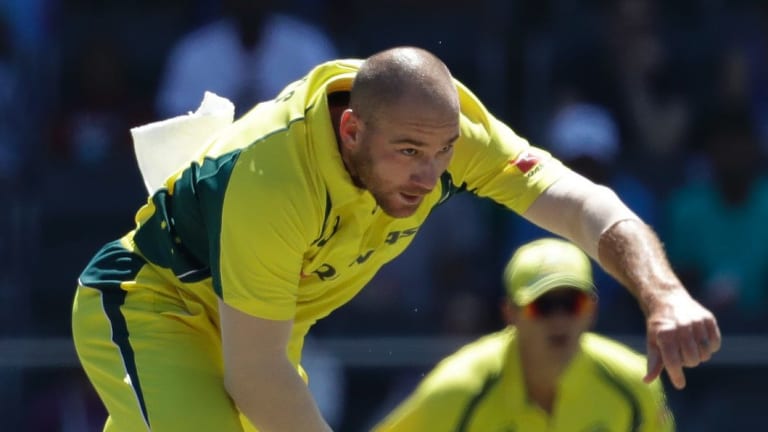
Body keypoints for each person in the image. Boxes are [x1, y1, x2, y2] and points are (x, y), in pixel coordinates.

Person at [72, 46, 719, 431]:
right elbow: (256, 370)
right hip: (154, 305)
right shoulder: (274, 179)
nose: (427, 176)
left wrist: (662, 294)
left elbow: (584, 204)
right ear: (350, 131)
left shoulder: (446, 136)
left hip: (264, 324)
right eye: (408, 152)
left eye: (439, 155)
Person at [373, 238, 674, 431]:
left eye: (572, 303)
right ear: (510, 314)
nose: (559, 318)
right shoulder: (459, 388)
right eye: (542, 305)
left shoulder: (635, 382)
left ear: (591, 310)